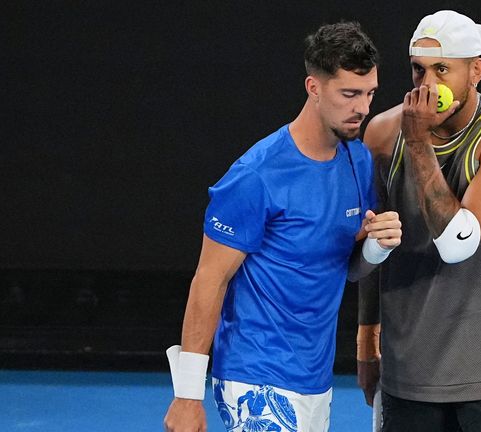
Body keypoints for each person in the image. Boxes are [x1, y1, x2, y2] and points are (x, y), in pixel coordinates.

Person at [163, 21, 402, 432]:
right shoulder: (256, 175)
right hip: (254, 372)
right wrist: (187, 395)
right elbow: (209, 280)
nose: (362, 107)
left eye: (369, 94)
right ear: (313, 88)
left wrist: (377, 246)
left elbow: (345, 268)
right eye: (349, 94)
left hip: (314, 377)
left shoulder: (358, 162)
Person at [356, 10, 481, 432]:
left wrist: (419, 142)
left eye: (442, 70)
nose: (428, 86)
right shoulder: (383, 134)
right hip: (408, 379)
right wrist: (367, 339)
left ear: (475, 71)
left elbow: (458, 242)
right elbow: (375, 243)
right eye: (419, 70)